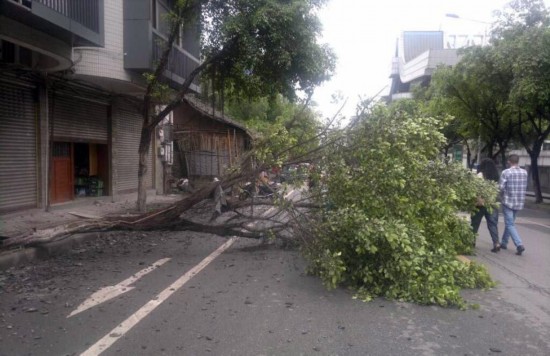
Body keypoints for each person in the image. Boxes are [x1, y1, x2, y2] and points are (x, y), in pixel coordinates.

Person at [499, 154, 528, 255]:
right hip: (519, 202)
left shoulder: (506, 172)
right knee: (510, 223)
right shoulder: (525, 172)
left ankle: (519, 245)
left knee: (510, 224)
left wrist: (500, 196)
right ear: (518, 161)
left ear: (509, 161)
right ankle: (504, 243)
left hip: (508, 201)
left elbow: (501, 188)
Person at [471, 158, 500, 252]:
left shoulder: (480, 175)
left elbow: (475, 188)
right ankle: (496, 243)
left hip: (480, 203)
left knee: (475, 223)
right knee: (492, 224)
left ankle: (471, 242)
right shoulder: (496, 176)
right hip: (492, 203)